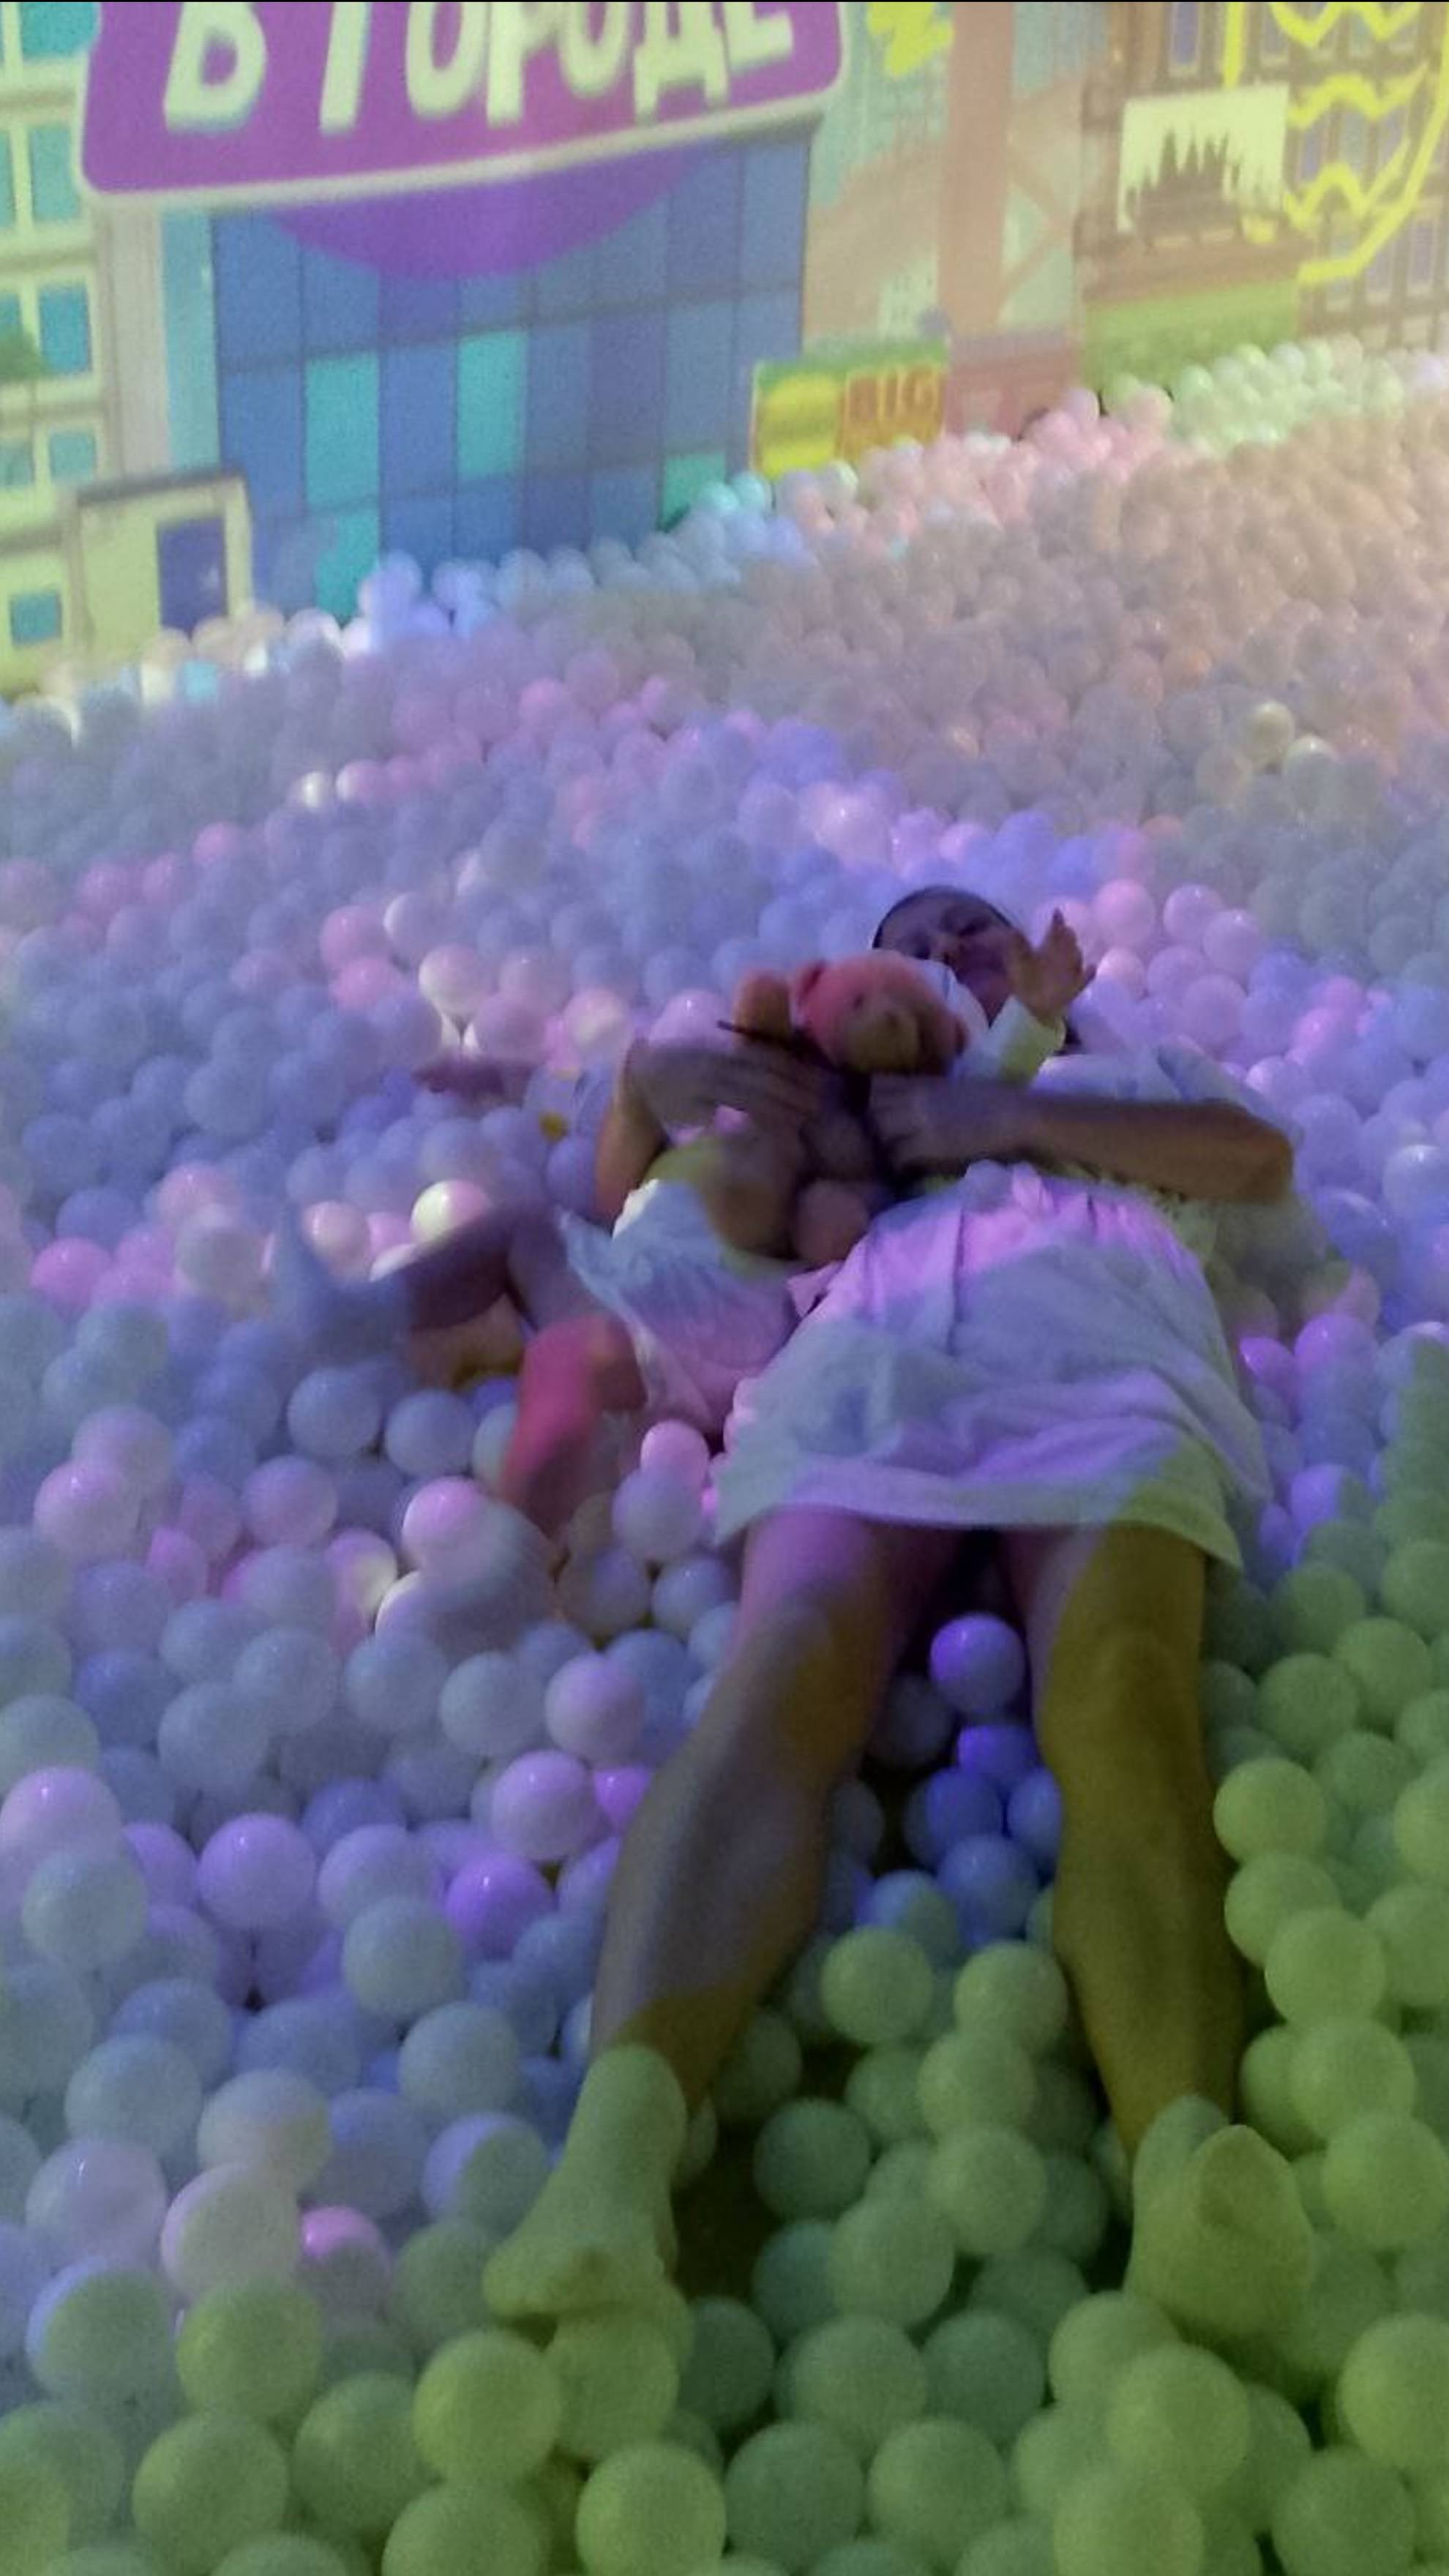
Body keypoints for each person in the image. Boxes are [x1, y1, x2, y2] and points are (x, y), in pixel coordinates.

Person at [482, 885, 1315, 2351]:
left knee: (1125, 1682)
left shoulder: (1123, 1070)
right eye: (912, 941)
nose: (945, 951)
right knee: (788, 1662)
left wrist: (1009, 1118)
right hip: (870, 1349)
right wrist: (629, 1096)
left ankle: (1184, 2162)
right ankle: (612, 2162)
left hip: (1101, 1342)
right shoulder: (835, 1097)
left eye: (970, 925)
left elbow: (1254, 1158)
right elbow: (641, 1207)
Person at [275, 908, 1082, 1530]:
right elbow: (594, 1099)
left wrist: (1034, 1018)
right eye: (894, 965)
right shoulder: (748, 1069)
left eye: (961, 932)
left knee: (559, 1315)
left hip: (727, 1320)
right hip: (665, 1298)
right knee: (535, 1274)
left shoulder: (911, 1123)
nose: (938, 953)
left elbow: (986, 1084)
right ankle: (380, 1326)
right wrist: (504, 1078)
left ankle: (519, 1543)